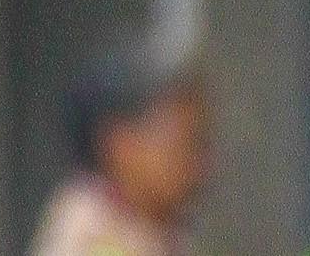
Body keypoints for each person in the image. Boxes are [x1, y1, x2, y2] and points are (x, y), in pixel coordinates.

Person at [31, 35, 209, 256]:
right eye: (186, 146)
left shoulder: (156, 231)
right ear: (122, 144)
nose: (203, 165)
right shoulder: (92, 237)